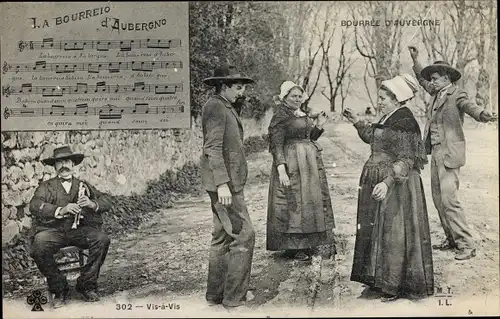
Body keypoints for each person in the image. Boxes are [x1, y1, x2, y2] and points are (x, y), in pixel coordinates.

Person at [344, 74, 434, 302]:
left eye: (383, 97)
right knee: (377, 233)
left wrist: (386, 182)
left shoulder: (405, 121)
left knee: (393, 234)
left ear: (396, 99)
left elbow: (406, 159)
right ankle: (379, 280)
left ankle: (394, 284)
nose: (379, 101)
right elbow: (374, 138)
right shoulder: (389, 116)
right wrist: (356, 121)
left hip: (397, 185)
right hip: (382, 181)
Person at [408, 46, 498, 260]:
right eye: (431, 78)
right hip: (436, 153)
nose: (432, 81)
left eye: (436, 77)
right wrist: (415, 59)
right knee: (438, 199)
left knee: (450, 200)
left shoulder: (456, 93)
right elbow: (422, 81)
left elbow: (470, 106)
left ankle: (466, 245)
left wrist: (484, 114)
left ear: (447, 78)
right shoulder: (436, 92)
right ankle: (452, 240)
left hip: (450, 154)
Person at [200, 65, 256, 310]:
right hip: (224, 185)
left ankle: (216, 294)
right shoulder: (215, 107)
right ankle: (234, 298)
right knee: (244, 235)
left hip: (226, 182)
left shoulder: (225, 106)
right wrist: (222, 184)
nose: (241, 92)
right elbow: (212, 147)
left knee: (222, 236)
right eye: (238, 87)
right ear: (224, 86)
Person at [29, 145, 112, 308]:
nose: (63, 165)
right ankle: (60, 287)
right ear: (55, 166)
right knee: (38, 246)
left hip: (79, 231)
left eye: (67, 161)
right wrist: (60, 210)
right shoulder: (46, 186)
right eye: (59, 162)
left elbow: (107, 200)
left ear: (73, 164)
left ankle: (86, 285)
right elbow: (34, 205)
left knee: (102, 239)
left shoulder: (83, 185)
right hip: (54, 231)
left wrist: (91, 203)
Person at [266, 81, 335, 261]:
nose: (297, 99)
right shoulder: (280, 115)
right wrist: (281, 168)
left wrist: (319, 125)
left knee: (309, 202)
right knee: (293, 202)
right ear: (284, 98)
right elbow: (276, 144)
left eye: (299, 96)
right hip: (292, 163)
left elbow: (309, 137)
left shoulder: (301, 114)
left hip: (308, 164)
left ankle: (309, 243)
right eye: (293, 96)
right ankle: (294, 247)